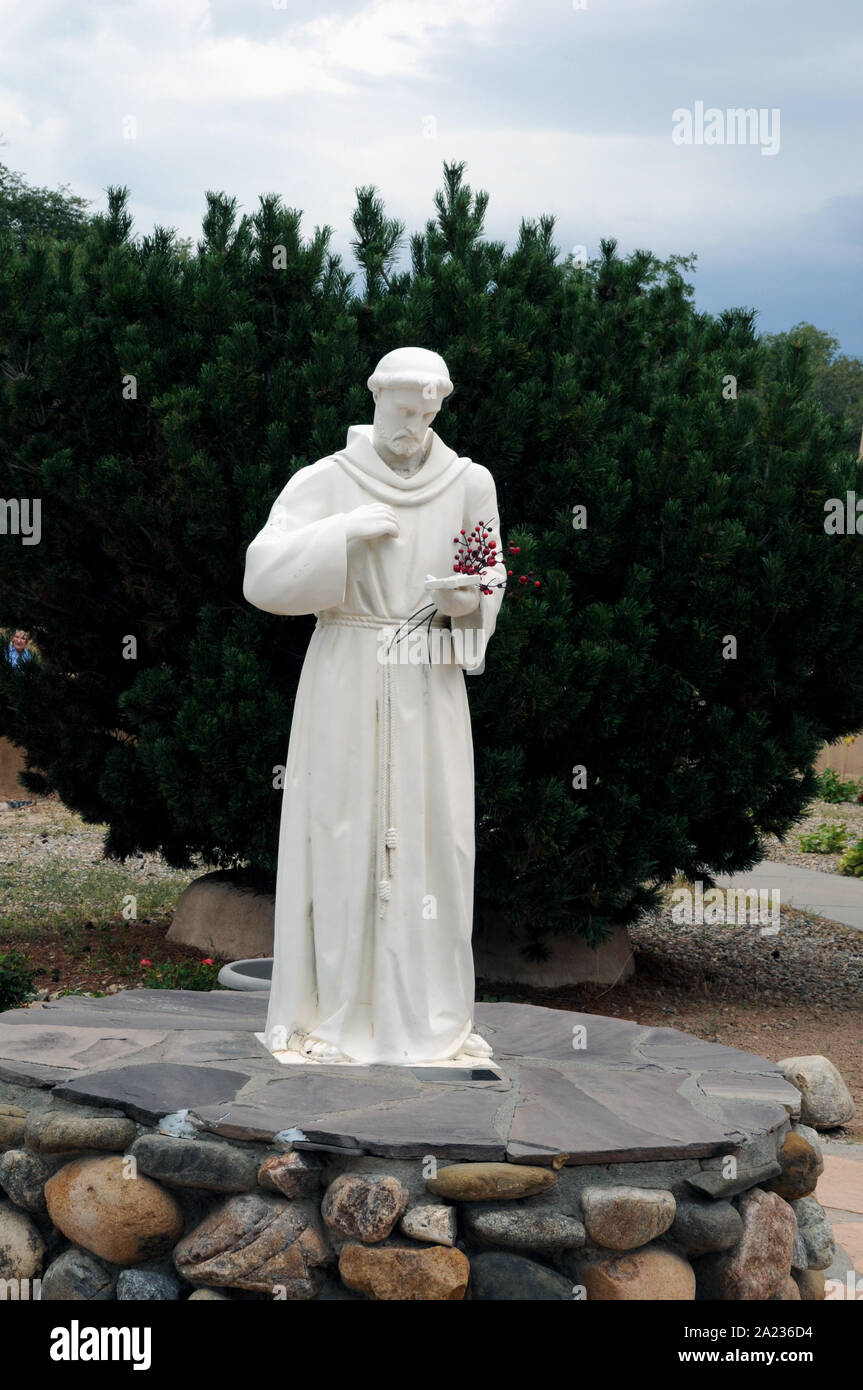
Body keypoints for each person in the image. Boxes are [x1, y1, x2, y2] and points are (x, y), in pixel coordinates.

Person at [243, 347, 506, 1065]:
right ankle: (330, 1014)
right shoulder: (326, 481)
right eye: (403, 412)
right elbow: (261, 575)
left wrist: (469, 604)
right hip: (347, 668)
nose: (414, 428)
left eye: (428, 415)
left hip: (428, 673)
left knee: (434, 839)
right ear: (375, 399)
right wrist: (342, 535)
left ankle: (428, 1018)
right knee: (338, 833)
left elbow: (489, 576)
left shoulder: (467, 482)